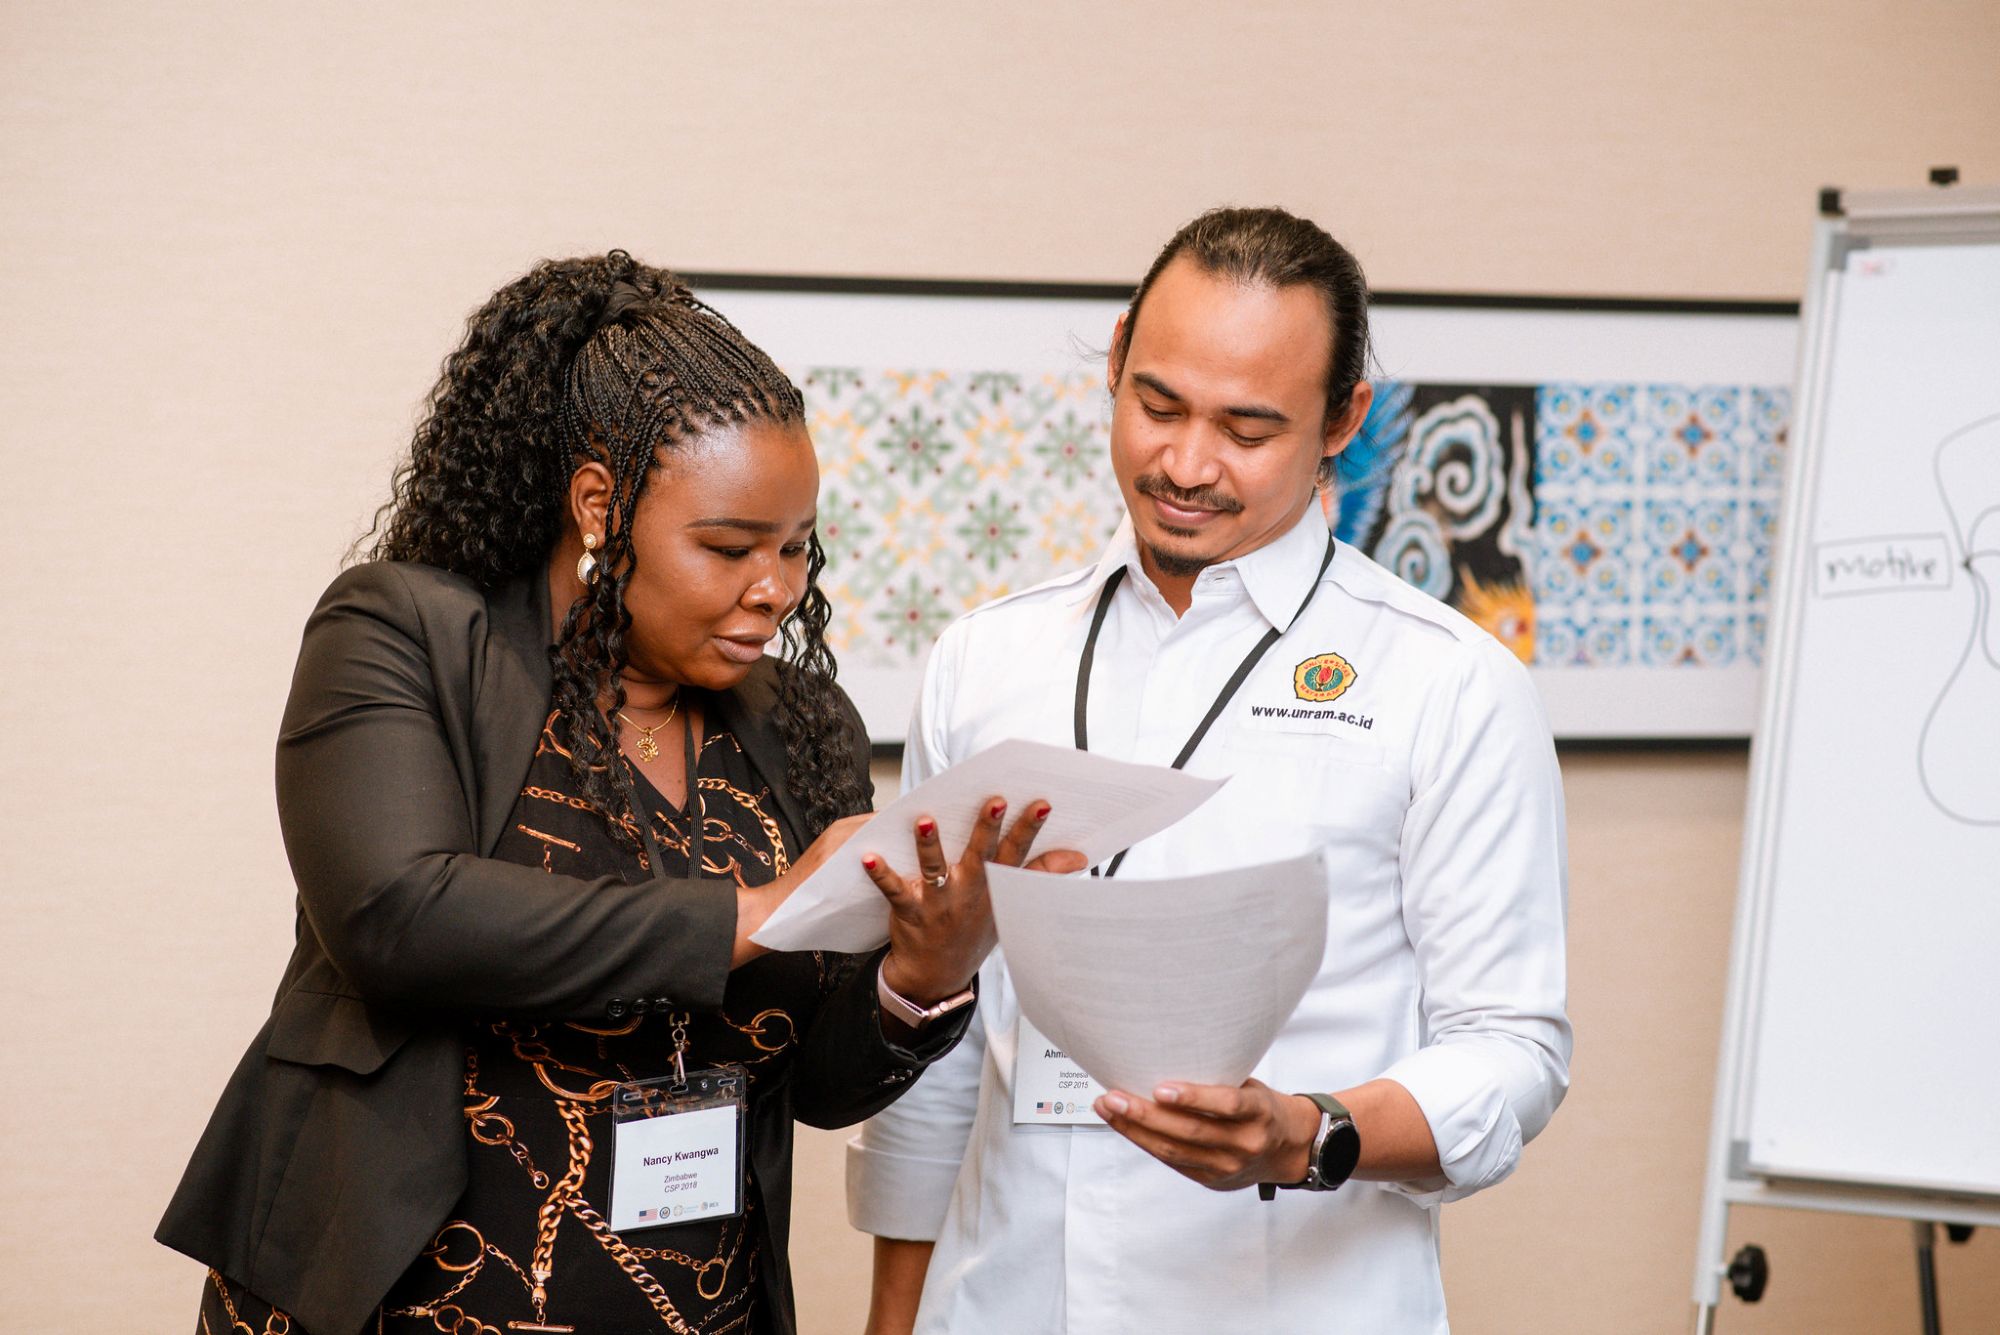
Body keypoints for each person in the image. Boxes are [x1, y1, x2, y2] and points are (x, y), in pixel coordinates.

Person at [157, 251, 1072, 1335]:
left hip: (694, 1308)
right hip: (399, 1304)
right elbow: (394, 917)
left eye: (793, 547)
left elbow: (818, 1088)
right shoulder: (402, 634)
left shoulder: (799, 722)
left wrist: (922, 974)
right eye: (727, 547)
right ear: (601, 504)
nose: (774, 588)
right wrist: (756, 913)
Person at [848, 207, 1572, 1333]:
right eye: (1157, 405)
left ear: (1342, 420)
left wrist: (1311, 1130)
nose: (1185, 465)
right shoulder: (987, 659)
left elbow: (1512, 1049)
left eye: (1247, 427)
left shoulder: (1448, 682)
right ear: (1119, 355)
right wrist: (895, 1318)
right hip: (1002, 1301)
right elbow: (945, 1045)